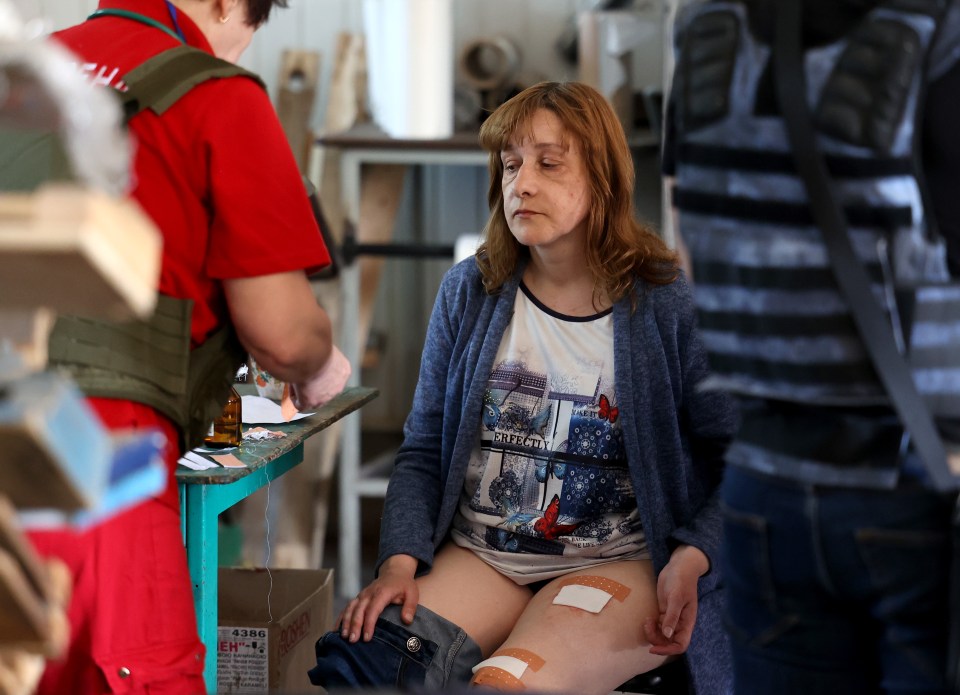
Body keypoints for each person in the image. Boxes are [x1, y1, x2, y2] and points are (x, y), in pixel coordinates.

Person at [307, 81, 738, 695]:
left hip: (615, 560)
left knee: (507, 686)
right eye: (510, 165)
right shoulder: (470, 290)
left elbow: (740, 459)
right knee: (363, 673)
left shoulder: (665, 305)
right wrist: (399, 561)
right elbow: (424, 448)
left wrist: (694, 557)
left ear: (604, 178)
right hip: (484, 554)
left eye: (548, 163)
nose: (522, 183)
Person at [22, 1, 351, 693]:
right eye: (249, 29)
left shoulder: (25, 68)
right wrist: (321, 363)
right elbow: (283, 333)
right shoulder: (216, 93)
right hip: (92, 461)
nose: (239, 50)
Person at [663, 1, 960, 693]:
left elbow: (693, 247)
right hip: (920, 489)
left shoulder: (704, 20)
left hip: (766, 488)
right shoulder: (935, 21)